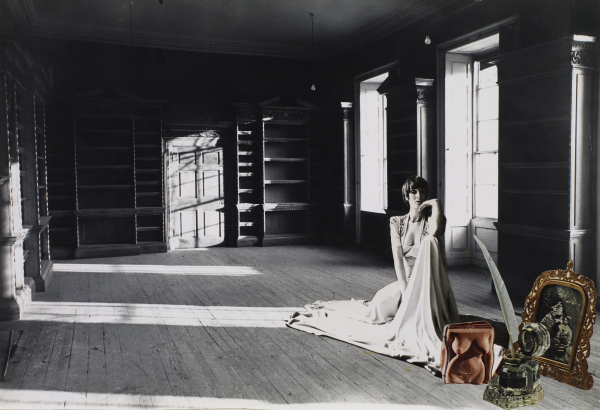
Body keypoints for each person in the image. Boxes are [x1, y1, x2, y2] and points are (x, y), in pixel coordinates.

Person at [286, 176, 465, 374]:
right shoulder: (396, 222)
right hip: (406, 281)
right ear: (406, 196)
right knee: (377, 310)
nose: (419, 196)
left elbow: (437, 231)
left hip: (429, 284)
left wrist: (436, 203)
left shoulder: (432, 220)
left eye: (423, 192)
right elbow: (398, 259)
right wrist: (406, 292)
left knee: (431, 241)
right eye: (413, 192)